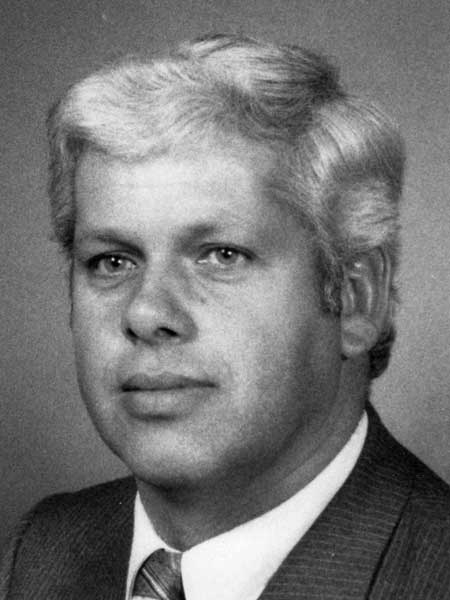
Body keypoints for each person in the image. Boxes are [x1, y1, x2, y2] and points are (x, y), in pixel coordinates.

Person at [1, 33, 450, 600]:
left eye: (221, 256)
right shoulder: (41, 553)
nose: (146, 313)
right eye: (112, 262)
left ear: (356, 297)